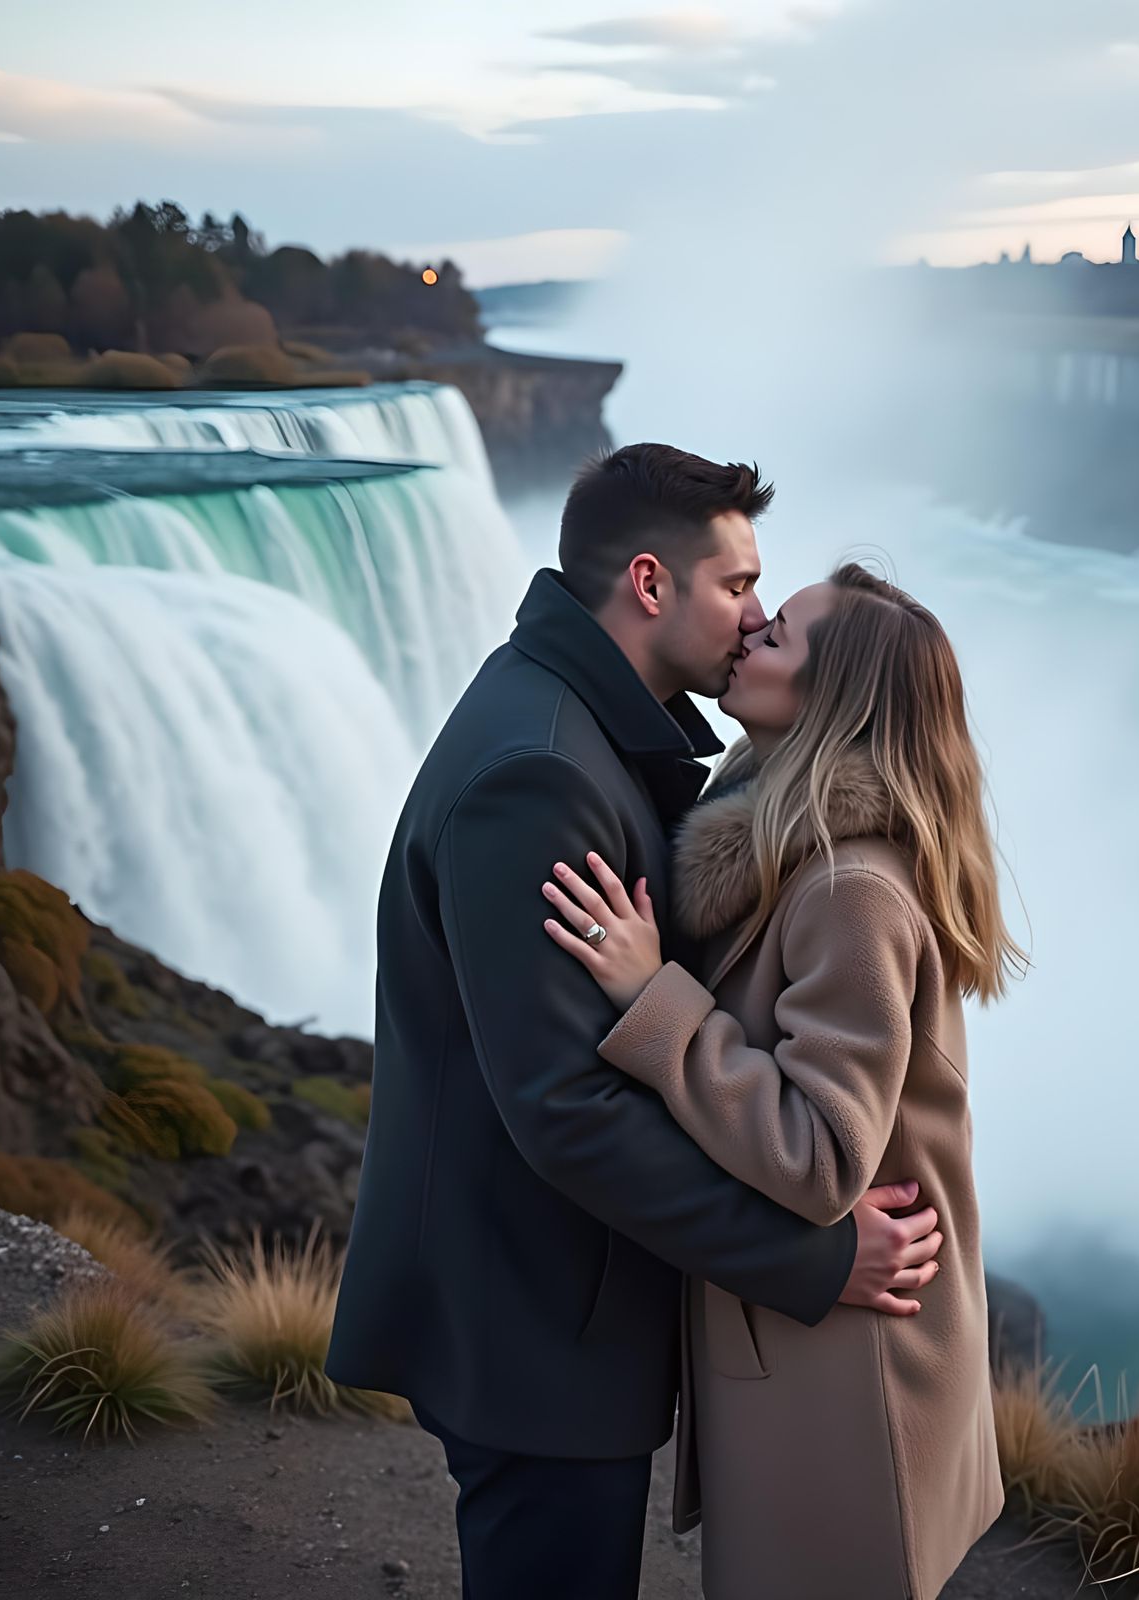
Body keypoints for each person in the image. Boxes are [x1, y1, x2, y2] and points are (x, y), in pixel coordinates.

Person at [325, 446, 945, 1600]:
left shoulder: (581, 722)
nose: (754, 616)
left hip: (554, 1304)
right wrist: (814, 1257)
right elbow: (567, 1109)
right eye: (739, 585)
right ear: (651, 585)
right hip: (531, 1324)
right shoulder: (539, 775)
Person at [540, 562, 1024, 1599]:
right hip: (817, 1343)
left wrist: (655, 998)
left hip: (851, 1371)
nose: (753, 627)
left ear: (830, 695)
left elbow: (820, 1157)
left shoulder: (849, 888)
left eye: (781, 633)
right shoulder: (787, 845)